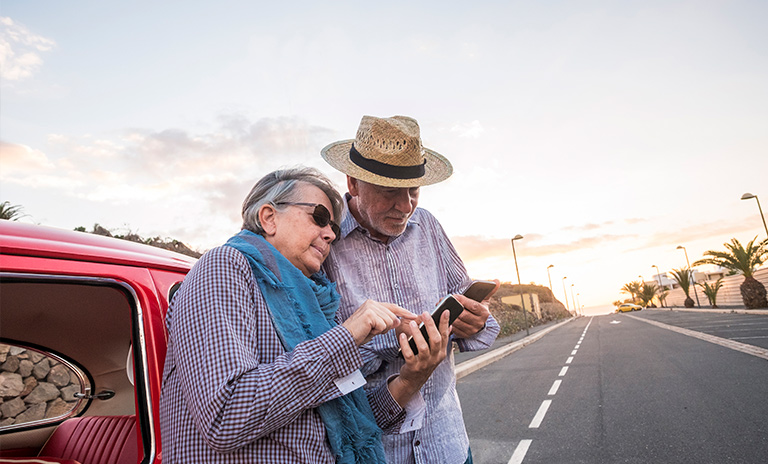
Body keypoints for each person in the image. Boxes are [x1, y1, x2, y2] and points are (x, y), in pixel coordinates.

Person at [159, 167, 449, 463]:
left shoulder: (315, 306)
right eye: (320, 217)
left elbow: (349, 423)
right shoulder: (224, 267)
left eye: (334, 229)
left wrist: (410, 379)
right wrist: (347, 336)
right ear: (269, 218)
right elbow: (226, 417)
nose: (329, 234)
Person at [321, 115, 501, 464]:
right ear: (353, 183)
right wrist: (395, 345)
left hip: (446, 444)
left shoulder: (429, 226)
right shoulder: (324, 243)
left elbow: (469, 310)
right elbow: (320, 356)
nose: (405, 206)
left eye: (413, 191)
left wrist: (475, 321)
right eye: (390, 191)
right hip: (379, 452)